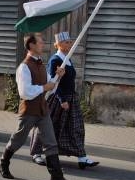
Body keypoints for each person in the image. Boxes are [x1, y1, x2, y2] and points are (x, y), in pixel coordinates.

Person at [0, 33, 75, 180]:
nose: (43, 44)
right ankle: (3, 163)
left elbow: (49, 87)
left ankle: (56, 177)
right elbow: (24, 92)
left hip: (43, 109)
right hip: (29, 110)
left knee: (51, 142)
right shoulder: (24, 67)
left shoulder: (41, 65)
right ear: (31, 45)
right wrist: (45, 87)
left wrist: (57, 78)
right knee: (18, 139)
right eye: (40, 42)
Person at [30, 32, 100, 169]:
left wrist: (69, 98)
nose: (70, 44)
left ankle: (82, 157)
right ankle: (37, 153)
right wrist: (62, 99)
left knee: (76, 127)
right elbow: (53, 82)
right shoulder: (55, 60)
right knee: (47, 127)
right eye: (67, 42)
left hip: (71, 98)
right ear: (59, 44)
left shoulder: (67, 59)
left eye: (70, 42)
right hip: (57, 99)